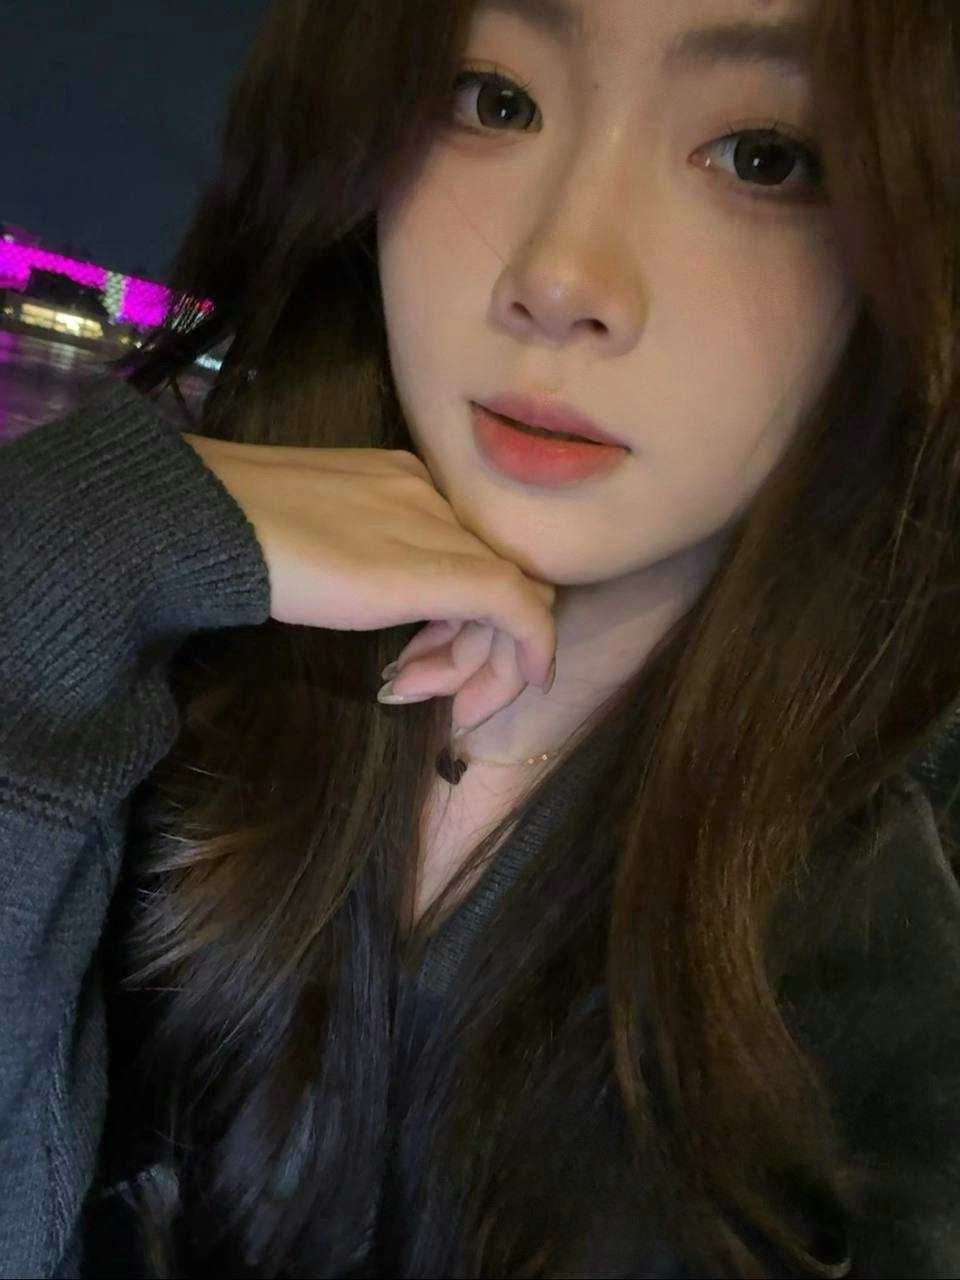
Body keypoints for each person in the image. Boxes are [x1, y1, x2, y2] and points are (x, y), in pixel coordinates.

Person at [2, 0, 960, 1275]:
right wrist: (64, 552)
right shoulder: (139, 677)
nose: (560, 278)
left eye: (763, 156)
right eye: (494, 100)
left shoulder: (883, 972)